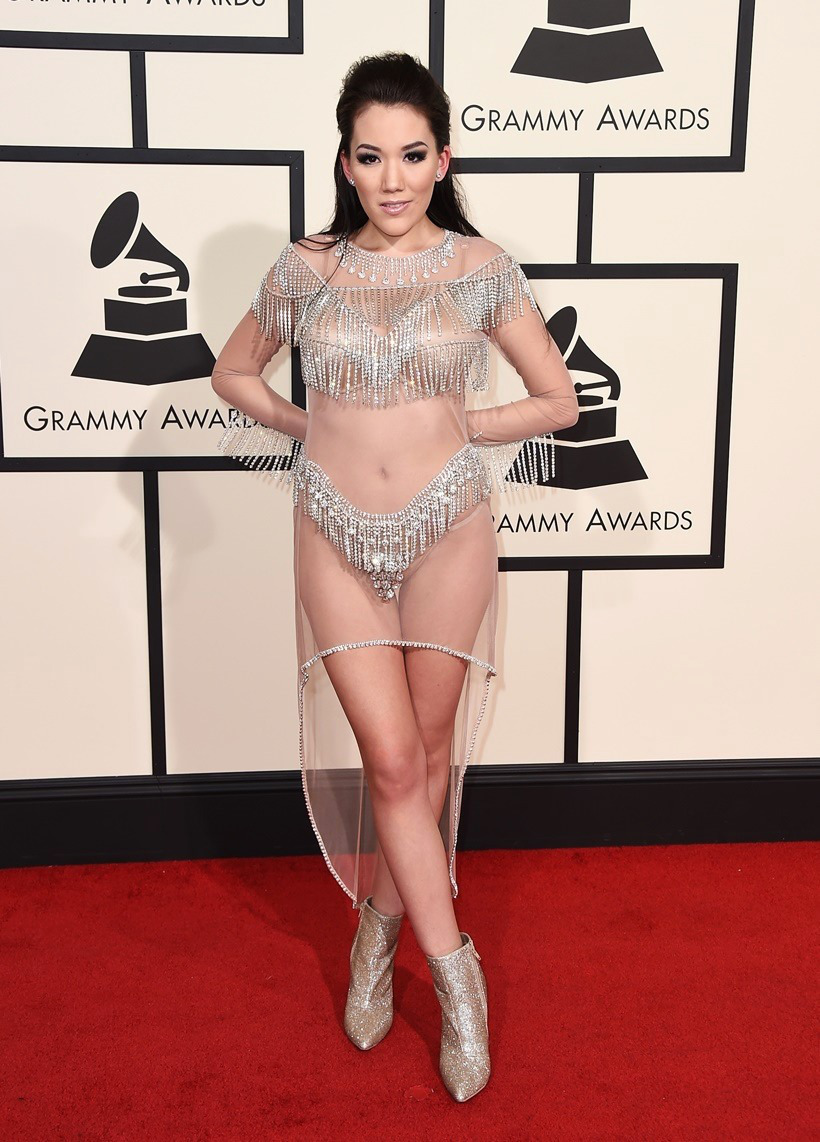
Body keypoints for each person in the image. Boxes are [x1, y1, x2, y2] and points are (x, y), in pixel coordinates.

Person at [210, 51, 579, 1102]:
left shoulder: (478, 267)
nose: (392, 177)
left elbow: (558, 403)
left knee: (417, 756)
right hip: (330, 529)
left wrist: (462, 427)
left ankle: (377, 927)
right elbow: (232, 371)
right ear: (345, 159)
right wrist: (302, 421)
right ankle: (459, 979)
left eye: (412, 154)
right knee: (388, 755)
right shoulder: (305, 268)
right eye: (370, 156)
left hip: (448, 530)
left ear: (441, 156)